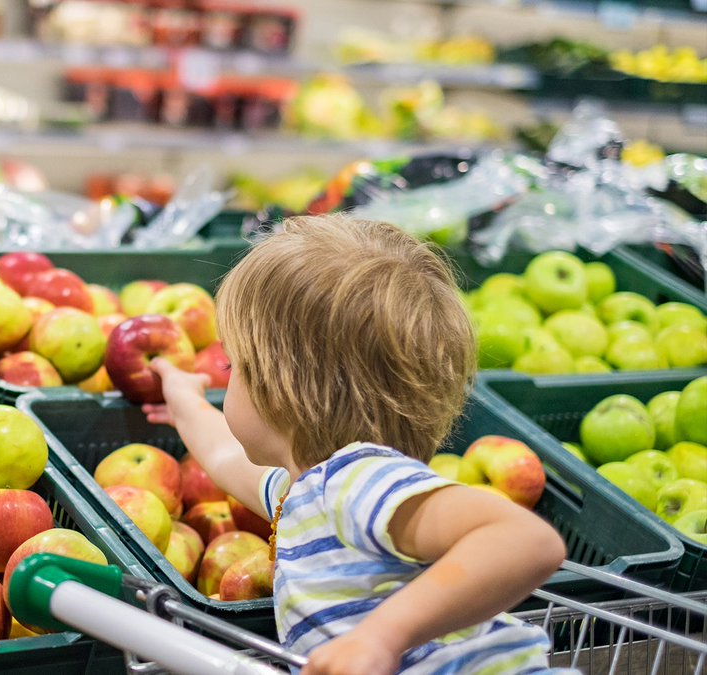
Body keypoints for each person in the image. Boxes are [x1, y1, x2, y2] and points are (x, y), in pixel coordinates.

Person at [143, 215, 568, 675]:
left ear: (280, 391)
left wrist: (380, 637)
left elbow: (526, 540)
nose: (225, 380)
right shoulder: (306, 493)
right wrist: (182, 396)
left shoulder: (357, 481)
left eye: (232, 367)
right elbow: (224, 456)